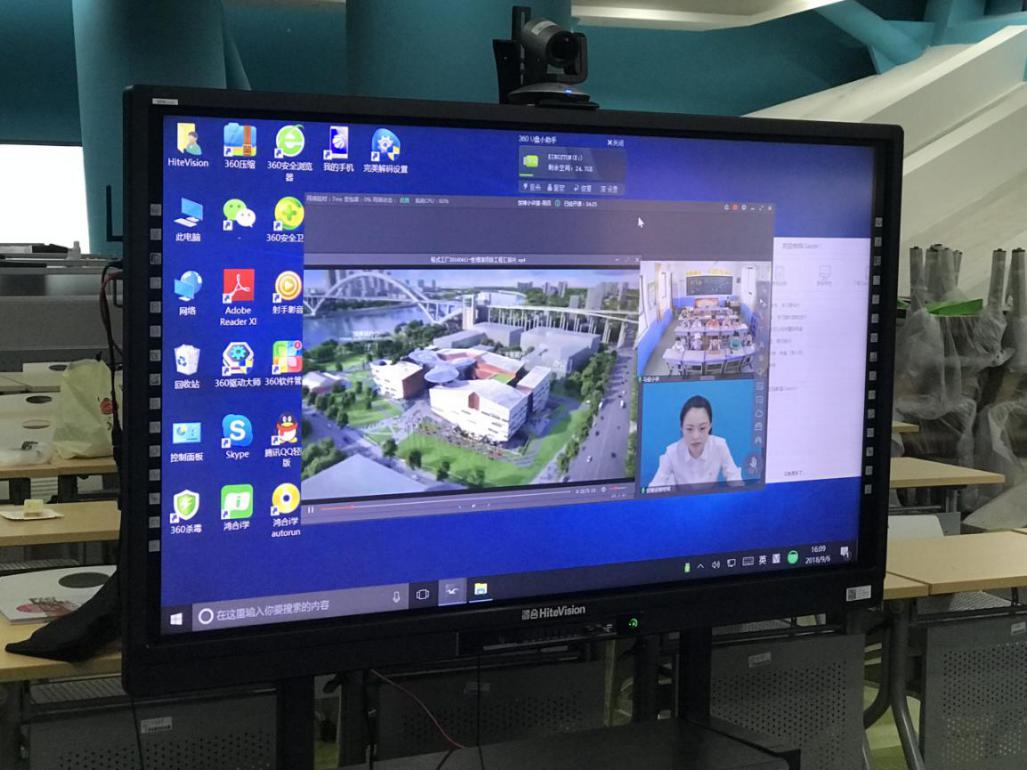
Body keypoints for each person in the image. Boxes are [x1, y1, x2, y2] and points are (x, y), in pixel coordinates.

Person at [649, 395, 742, 487]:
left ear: (710, 426)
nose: (696, 436)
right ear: (681, 428)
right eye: (689, 429)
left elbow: (734, 477)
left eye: (702, 428)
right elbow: (654, 486)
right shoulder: (672, 453)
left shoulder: (719, 446)